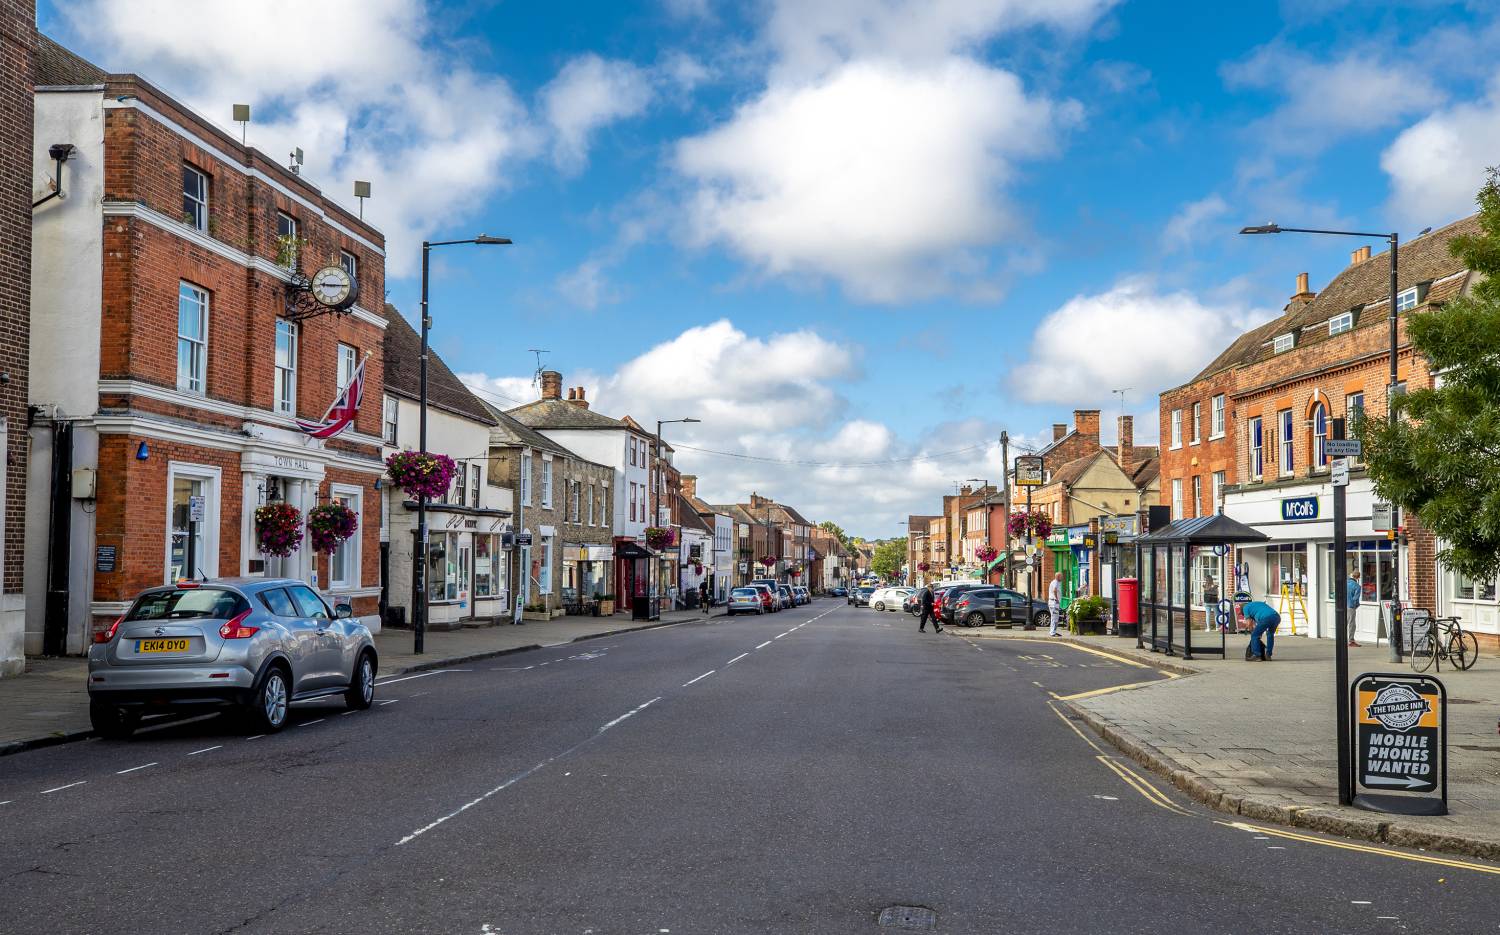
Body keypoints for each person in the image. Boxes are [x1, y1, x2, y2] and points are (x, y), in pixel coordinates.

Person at [1048, 572, 1064, 636]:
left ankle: (1052, 631)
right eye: (1061, 576)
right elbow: (1055, 590)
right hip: (1054, 602)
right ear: (1058, 576)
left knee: (1054, 617)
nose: (1062, 577)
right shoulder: (1056, 582)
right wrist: (1057, 599)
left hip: (1053, 602)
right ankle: (1053, 632)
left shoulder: (1056, 582)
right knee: (1055, 618)